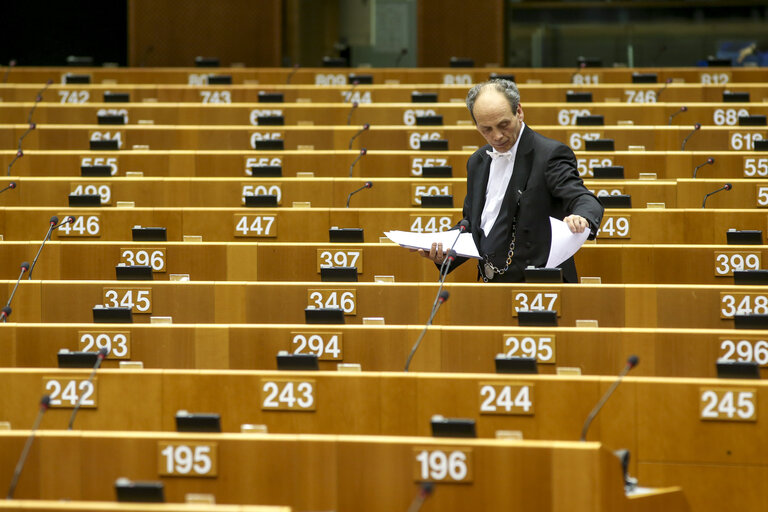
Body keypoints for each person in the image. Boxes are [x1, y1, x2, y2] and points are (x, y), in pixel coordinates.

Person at [417, 79, 604, 282]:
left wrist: (582, 217)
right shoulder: (477, 162)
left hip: (540, 285)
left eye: (503, 125)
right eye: (486, 129)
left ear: (519, 112)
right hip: (491, 287)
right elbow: (473, 225)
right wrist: (446, 249)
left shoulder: (549, 155)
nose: (497, 136)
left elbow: (582, 197)